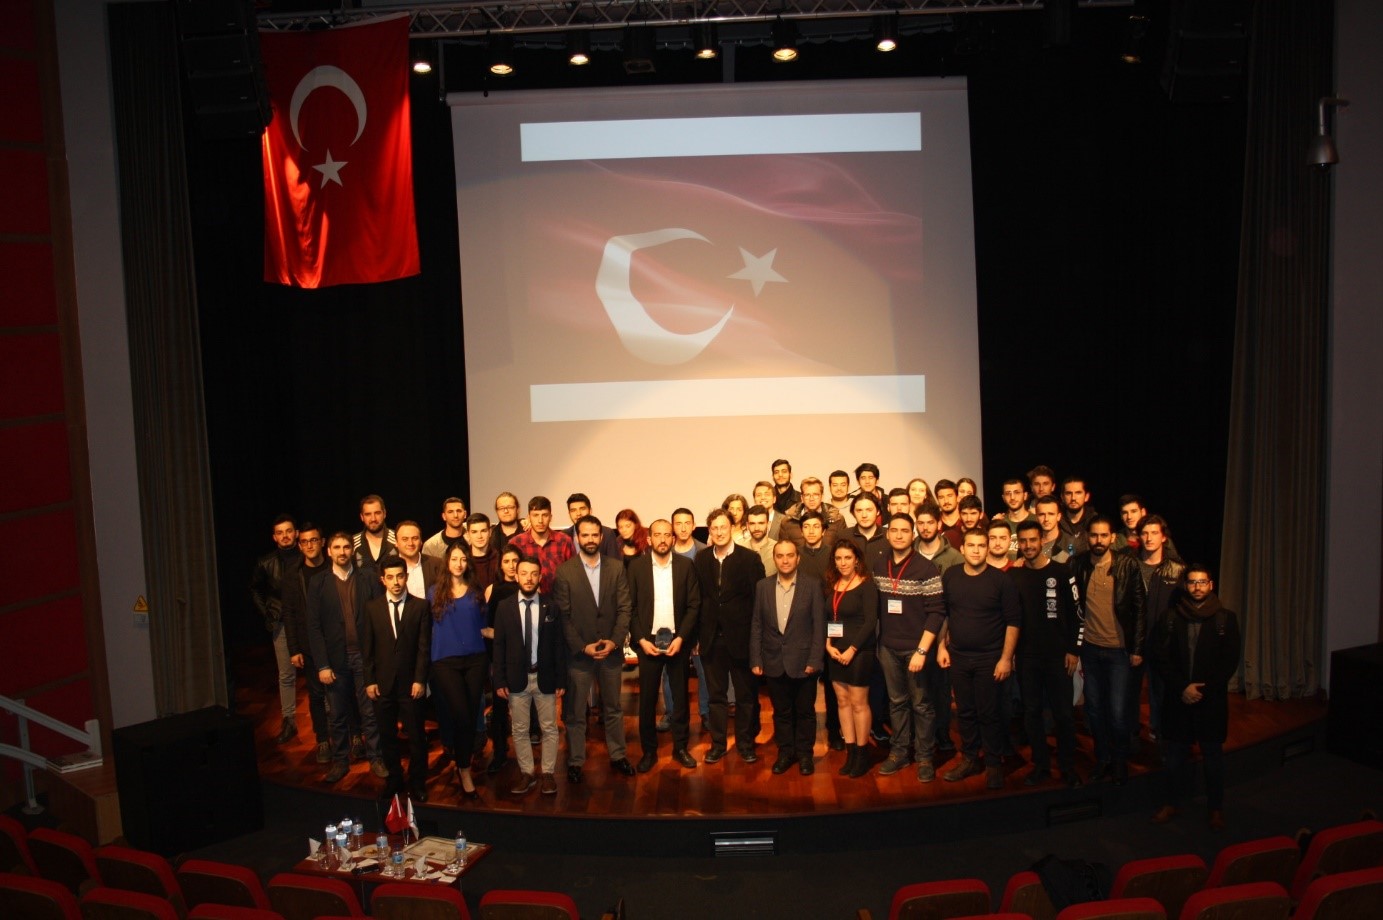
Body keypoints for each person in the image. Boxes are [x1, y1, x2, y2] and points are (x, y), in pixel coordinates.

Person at [1149, 564, 1241, 830]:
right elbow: (1160, 657)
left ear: (1211, 585)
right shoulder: (1170, 617)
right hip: (1179, 700)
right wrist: (1183, 688)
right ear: (1185, 586)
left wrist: (1202, 690)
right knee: (1174, 758)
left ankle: (1215, 808)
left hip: (1211, 702)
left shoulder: (1225, 619)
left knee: (1213, 758)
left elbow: (1229, 662)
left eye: (1202, 582)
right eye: (1192, 582)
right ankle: (1171, 803)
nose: (1197, 587)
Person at [554, 516, 637, 781]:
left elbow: (625, 608)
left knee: (613, 708)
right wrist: (582, 646)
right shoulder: (564, 571)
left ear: (601, 537)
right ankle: (576, 761)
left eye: (594, 535)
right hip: (580, 655)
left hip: (611, 651)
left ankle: (618, 755)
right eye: (585, 535)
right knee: (575, 712)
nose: (590, 539)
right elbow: (564, 616)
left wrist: (615, 640)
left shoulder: (616, 567)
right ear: (577, 538)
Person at [939, 529, 1021, 790]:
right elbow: (944, 614)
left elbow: (1013, 622)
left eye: (981, 545)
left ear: (987, 548)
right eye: (971, 545)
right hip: (959, 657)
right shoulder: (951, 576)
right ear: (962, 549)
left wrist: (1006, 658)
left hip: (990, 658)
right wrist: (941, 646)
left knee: (989, 713)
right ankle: (970, 759)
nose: (976, 550)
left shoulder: (1001, 580)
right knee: (965, 712)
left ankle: (994, 763)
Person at [1070, 515, 1148, 785]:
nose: (1099, 540)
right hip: (1090, 650)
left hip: (1118, 652)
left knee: (1117, 713)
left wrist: (1137, 648)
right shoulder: (1078, 564)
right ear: (1087, 537)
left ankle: (1119, 761)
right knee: (1093, 710)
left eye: (1104, 535)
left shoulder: (1127, 565)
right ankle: (1102, 759)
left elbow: (1140, 608)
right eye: (1094, 535)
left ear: (1112, 538)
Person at [306, 532, 387, 784]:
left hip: (364, 657)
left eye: (346, 547)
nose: (342, 552)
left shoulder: (368, 578)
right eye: (337, 547)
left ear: (353, 550)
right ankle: (341, 761)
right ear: (328, 551)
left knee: (370, 712)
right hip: (335, 660)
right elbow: (313, 627)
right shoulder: (318, 583)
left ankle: (376, 757)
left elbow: (379, 618)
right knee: (338, 715)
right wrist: (322, 664)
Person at [873, 513, 947, 782]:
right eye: (894, 530)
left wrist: (922, 651)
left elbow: (937, 613)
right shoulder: (879, 565)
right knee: (896, 703)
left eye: (905, 530)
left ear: (912, 535)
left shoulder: (926, 568)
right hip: (888, 649)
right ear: (887, 534)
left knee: (922, 705)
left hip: (917, 650)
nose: (899, 535)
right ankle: (899, 752)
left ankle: (925, 756)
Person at [1011, 520, 1083, 787]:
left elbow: (1078, 615)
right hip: (1027, 657)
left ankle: (1067, 767)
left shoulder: (1062, 572)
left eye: (1033, 540)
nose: (1028, 545)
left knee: (1063, 714)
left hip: (1058, 657)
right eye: (1023, 541)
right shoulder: (1014, 576)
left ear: (1042, 540)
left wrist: (1074, 650)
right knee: (1031, 713)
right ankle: (1040, 765)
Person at [628, 519, 702, 771]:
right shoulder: (636, 567)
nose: (662, 539)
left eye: (667, 535)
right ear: (649, 539)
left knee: (680, 699)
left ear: (673, 538)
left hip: (677, 642)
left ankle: (680, 748)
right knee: (647, 700)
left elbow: (694, 605)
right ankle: (649, 752)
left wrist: (682, 638)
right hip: (647, 643)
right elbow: (630, 607)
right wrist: (641, 640)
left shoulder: (686, 565)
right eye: (657, 535)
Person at [695, 508, 766, 765]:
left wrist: (757, 640)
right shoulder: (701, 559)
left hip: (742, 639)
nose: (719, 532)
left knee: (746, 697)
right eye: (714, 528)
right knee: (716, 697)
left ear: (732, 528)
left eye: (723, 527)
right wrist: (697, 637)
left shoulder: (750, 559)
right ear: (709, 531)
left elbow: (758, 603)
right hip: (711, 639)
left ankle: (745, 744)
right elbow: (698, 599)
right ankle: (718, 745)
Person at [492, 555, 566, 796]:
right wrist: (499, 679)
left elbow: (558, 645)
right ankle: (527, 774)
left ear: (540, 577)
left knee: (549, 728)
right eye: (524, 573)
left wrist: (561, 679)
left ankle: (548, 774)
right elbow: (499, 645)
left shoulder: (551, 606)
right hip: (516, 678)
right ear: (516, 575)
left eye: (534, 574)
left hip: (545, 677)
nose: (528, 578)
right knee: (520, 729)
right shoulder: (505, 607)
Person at [751, 540, 825, 776]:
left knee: (805, 712)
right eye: (780, 556)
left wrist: (815, 659)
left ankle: (805, 755)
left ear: (798, 558)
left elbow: (819, 626)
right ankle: (785, 753)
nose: (785, 560)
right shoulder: (763, 586)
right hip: (773, 661)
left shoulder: (812, 585)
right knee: (781, 712)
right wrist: (756, 659)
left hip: (804, 662)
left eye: (790, 555)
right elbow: (757, 625)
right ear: (774, 559)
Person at [362, 556, 432, 802]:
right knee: (387, 736)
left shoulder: (420, 607)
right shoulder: (372, 608)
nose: (396, 582)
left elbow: (424, 647)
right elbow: (367, 649)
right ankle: (394, 779)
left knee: (416, 737)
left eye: (400, 576)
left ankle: (418, 781)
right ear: (382, 579)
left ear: (406, 577)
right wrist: (369, 680)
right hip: (382, 685)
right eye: (390, 577)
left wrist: (420, 679)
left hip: (411, 685)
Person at [428, 544, 488, 799]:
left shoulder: (476, 591)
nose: (459, 563)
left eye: (463, 559)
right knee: (461, 715)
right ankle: (463, 767)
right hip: (445, 661)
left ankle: (463, 766)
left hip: (475, 659)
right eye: (454, 559)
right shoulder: (434, 593)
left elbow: (484, 626)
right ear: (447, 561)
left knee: (471, 715)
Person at [825, 540, 879, 778]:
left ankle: (862, 754)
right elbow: (831, 618)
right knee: (842, 702)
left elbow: (870, 622)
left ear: (857, 559)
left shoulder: (867, 585)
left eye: (847, 558)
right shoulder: (833, 585)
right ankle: (851, 752)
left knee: (858, 703)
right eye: (838, 558)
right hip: (835, 651)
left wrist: (852, 649)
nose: (843, 563)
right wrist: (828, 644)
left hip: (859, 651)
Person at [282, 523, 331, 761]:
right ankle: (323, 740)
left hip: (336, 642)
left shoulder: (333, 567)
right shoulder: (294, 574)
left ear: (322, 542)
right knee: (316, 695)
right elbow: (289, 613)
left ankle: (352, 737)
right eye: (304, 542)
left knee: (343, 692)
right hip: (309, 645)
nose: (309, 545)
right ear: (299, 545)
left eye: (313, 540)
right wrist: (294, 649)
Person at [250, 514, 300, 744]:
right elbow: (254, 588)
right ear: (274, 537)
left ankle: (330, 718)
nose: (285, 536)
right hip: (280, 622)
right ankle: (289, 721)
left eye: (288, 531)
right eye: (280, 533)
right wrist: (267, 614)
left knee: (319, 670)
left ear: (296, 533)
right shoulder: (266, 562)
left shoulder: (306, 556)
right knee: (286, 674)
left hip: (306, 621)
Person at [1137, 514, 1185, 743]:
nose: (1149, 538)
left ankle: (1160, 732)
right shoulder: (1130, 565)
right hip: (1134, 641)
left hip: (1163, 643)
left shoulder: (1177, 570)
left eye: (1154, 533)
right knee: (1129, 693)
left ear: (1163, 537)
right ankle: (1130, 736)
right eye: (1145, 533)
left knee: (1161, 692)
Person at [483, 545, 523, 775]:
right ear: (500, 565)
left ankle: (527, 756)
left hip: (525, 656)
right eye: (506, 561)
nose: (511, 565)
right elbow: (487, 628)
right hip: (500, 656)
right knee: (499, 707)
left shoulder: (528, 586)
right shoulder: (494, 589)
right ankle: (499, 753)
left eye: (515, 560)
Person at [508, 495, 576, 595]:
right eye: (535, 515)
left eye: (545, 515)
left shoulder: (564, 541)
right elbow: (510, 575)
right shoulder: (516, 543)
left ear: (550, 517)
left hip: (559, 599)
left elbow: (574, 574)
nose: (540, 520)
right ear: (529, 517)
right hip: (527, 599)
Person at [395, 521, 444, 602]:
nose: (410, 543)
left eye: (415, 538)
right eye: (405, 539)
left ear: (421, 541)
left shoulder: (438, 564)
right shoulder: (388, 567)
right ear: (396, 542)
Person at [563, 493, 622, 558]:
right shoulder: (563, 536)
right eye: (573, 510)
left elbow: (614, 562)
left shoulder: (607, 533)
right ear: (569, 513)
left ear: (590, 510)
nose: (578, 513)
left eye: (582, 509)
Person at [353, 494, 397, 571]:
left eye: (377, 513)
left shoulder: (398, 539)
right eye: (368, 514)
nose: (373, 519)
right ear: (362, 517)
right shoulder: (352, 543)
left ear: (384, 513)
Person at [1059, 476, 1096, 557]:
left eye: (1078, 493)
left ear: (1086, 497)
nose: (1073, 498)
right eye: (1068, 493)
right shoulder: (1054, 521)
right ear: (1062, 497)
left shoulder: (1095, 521)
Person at [744, 504, 778, 575]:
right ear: (747, 525)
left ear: (768, 524)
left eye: (761, 523)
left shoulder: (778, 549)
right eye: (752, 524)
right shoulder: (740, 549)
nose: (756, 528)